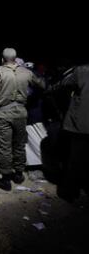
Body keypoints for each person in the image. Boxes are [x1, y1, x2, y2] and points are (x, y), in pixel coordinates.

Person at [0, 48, 45, 191]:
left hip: (3, 113)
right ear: (15, 58)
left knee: (5, 146)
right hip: (21, 112)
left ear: (2, 59)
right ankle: (19, 174)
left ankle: (6, 179)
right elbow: (42, 85)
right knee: (19, 144)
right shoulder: (26, 72)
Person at [49, 64, 89, 201]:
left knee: (76, 159)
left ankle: (70, 193)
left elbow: (62, 85)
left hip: (82, 123)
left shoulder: (82, 70)